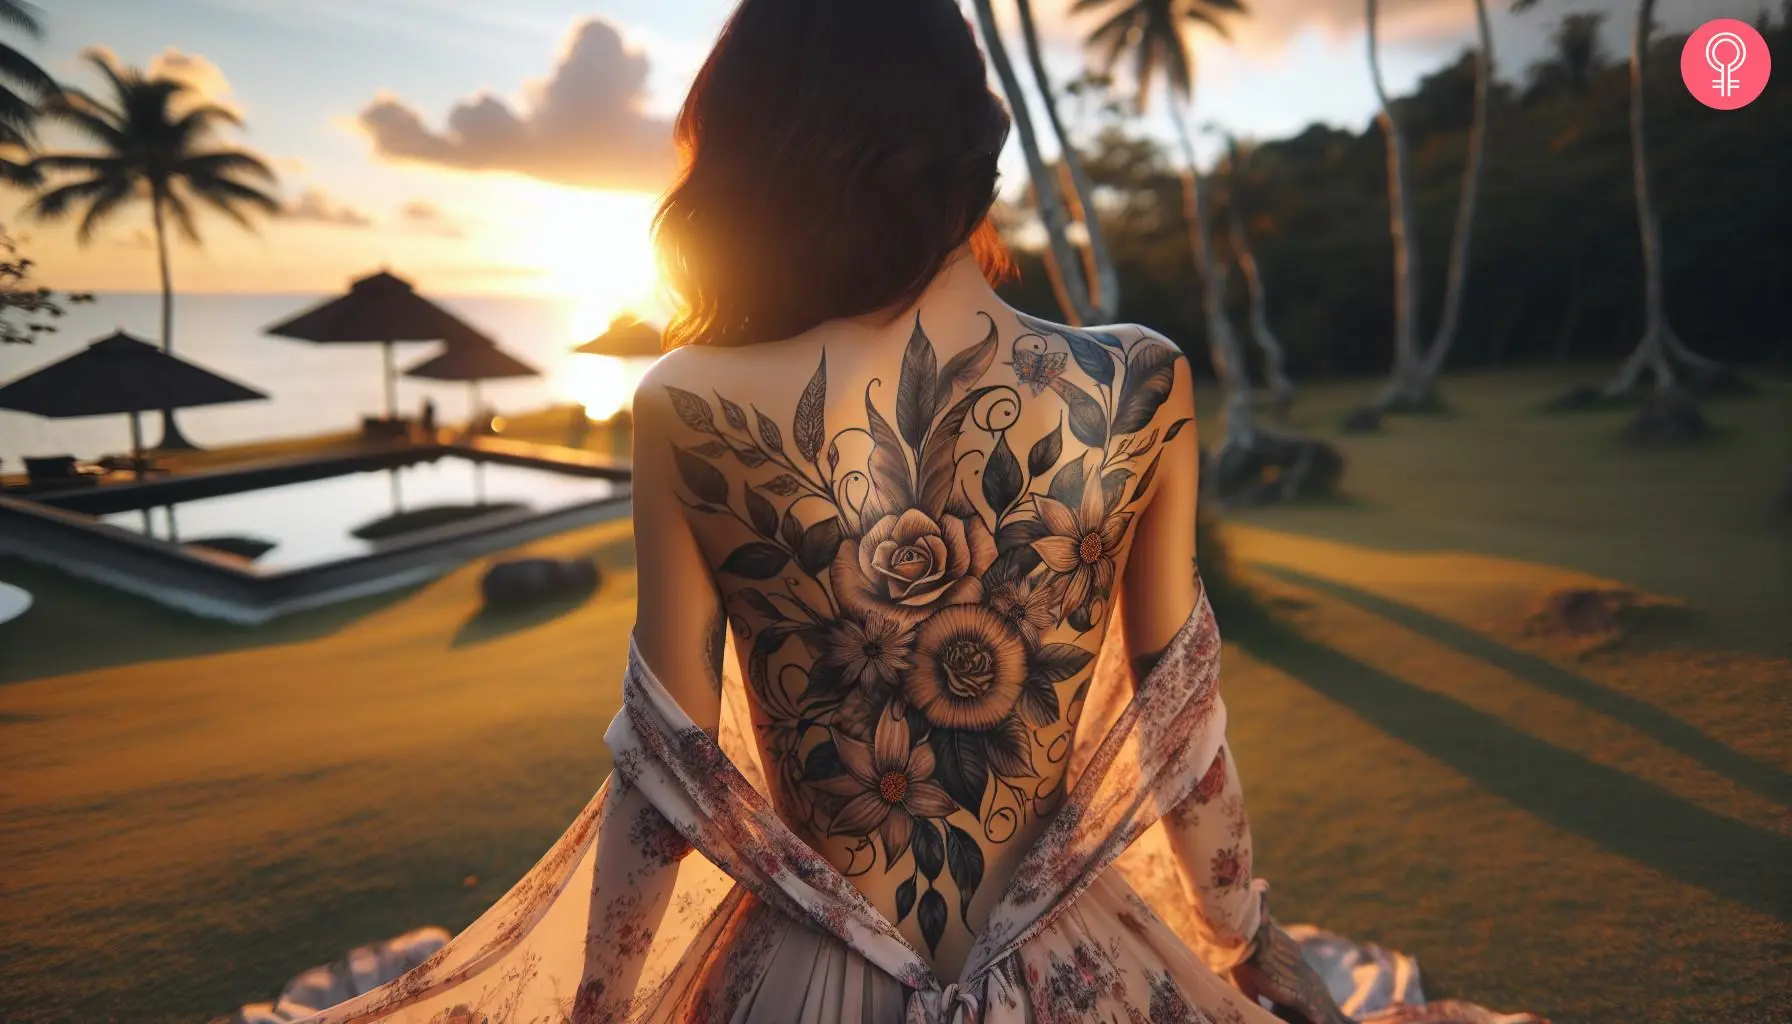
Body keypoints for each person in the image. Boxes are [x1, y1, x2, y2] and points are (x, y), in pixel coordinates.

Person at [294, 4, 1540, 1023]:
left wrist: (600, 1008)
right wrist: (1245, 936)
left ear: (753, 159)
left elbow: (666, 773)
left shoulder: (687, 403)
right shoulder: (1139, 380)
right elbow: (1179, 723)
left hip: (795, 987)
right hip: (1080, 974)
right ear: (973, 149)